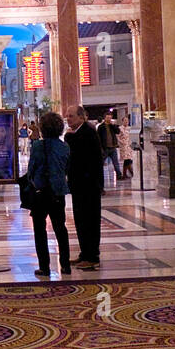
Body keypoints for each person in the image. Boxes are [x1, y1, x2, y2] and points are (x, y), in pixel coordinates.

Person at [26, 111, 71, 278]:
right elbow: (66, 168)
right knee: (60, 227)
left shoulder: (37, 146)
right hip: (58, 191)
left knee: (39, 229)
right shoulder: (64, 146)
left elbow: (31, 169)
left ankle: (44, 266)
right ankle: (65, 265)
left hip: (40, 191)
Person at [65, 105, 104, 269]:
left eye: (71, 116)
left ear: (82, 117)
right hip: (80, 185)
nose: (68, 119)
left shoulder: (87, 132)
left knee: (89, 220)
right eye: (67, 116)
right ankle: (84, 253)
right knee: (81, 220)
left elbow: (80, 154)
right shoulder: (79, 132)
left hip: (88, 185)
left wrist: (68, 137)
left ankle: (92, 256)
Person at [101, 111, 123, 180]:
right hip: (105, 148)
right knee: (101, 162)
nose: (109, 119)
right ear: (104, 118)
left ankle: (119, 175)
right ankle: (99, 175)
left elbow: (118, 131)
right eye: (107, 118)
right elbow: (99, 137)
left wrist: (112, 125)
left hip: (113, 147)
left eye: (110, 118)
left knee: (116, 162)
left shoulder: (112, 126)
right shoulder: (101, 127)